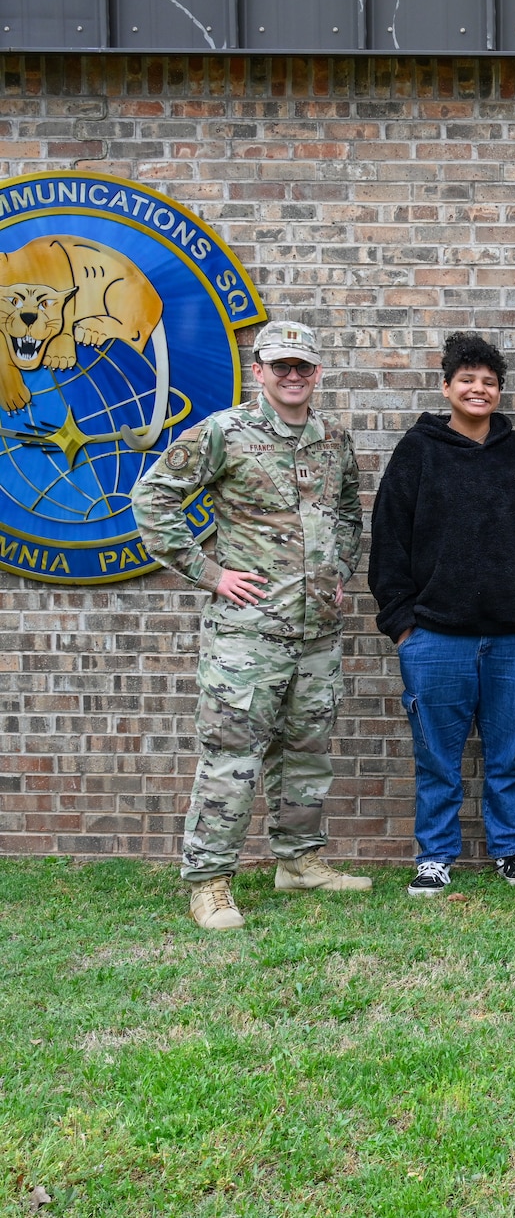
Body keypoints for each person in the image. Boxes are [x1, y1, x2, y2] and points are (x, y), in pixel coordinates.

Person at [133, 320, 369, 930]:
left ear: (317, 373)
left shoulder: (334, 440)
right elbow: (153, 498)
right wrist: (211, 574)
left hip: (317, 629)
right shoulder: (224, 434)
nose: (293, 376)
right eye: (281, 366)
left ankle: (300, 861)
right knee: (232, 756)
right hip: (248, 632)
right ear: (258, 370)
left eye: (304, 367)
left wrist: (339, 569)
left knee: (307, 752)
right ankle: (210, 881)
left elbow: (347, 513)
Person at [369, 332, 515, 896]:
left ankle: (511, 851)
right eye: (467, 379)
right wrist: (403, 624)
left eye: (488, 381)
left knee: (509, 756)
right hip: (436, 637)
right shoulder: (418, 452)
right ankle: (434, 855)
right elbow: (388, 538)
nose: (478, 389)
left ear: (500, 390)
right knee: (437, 757)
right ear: (447, 386)